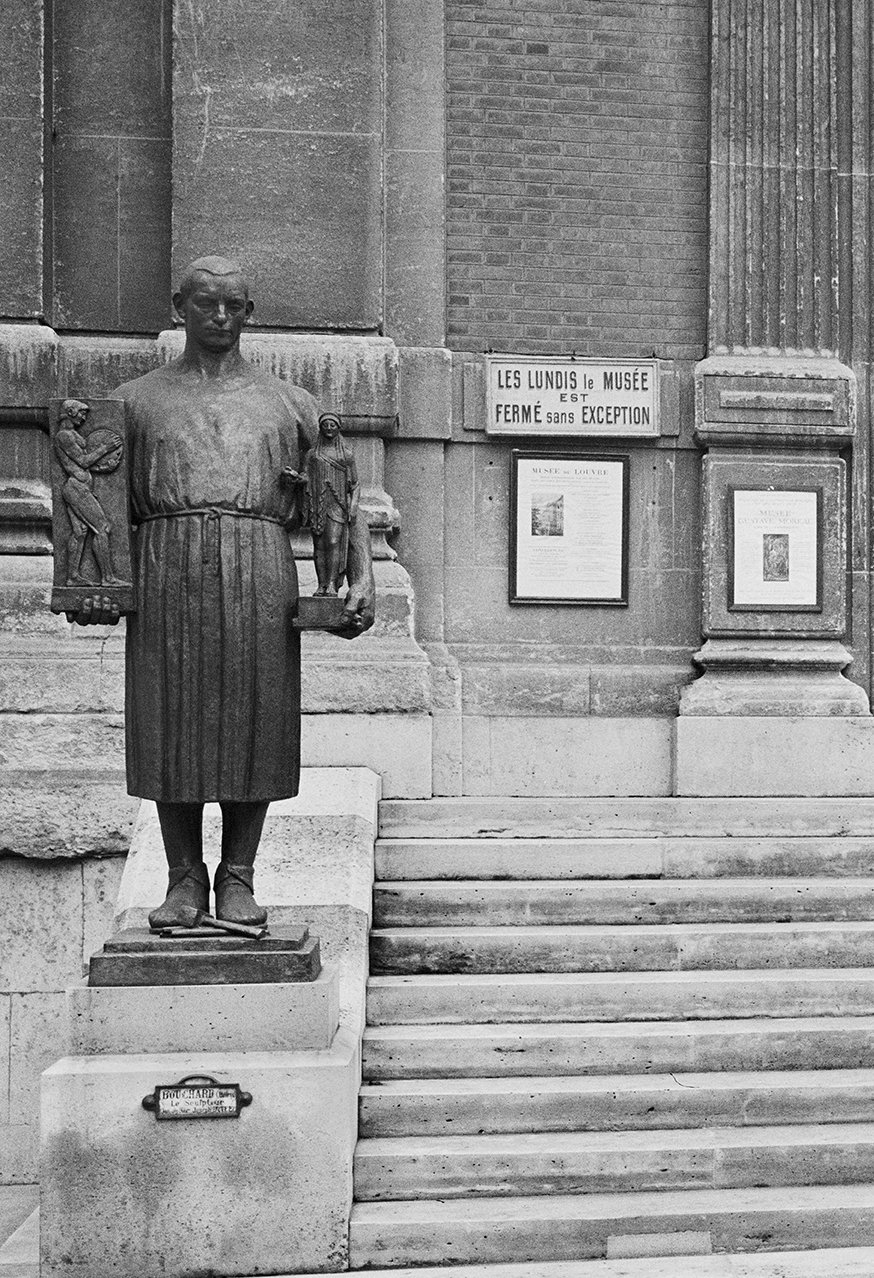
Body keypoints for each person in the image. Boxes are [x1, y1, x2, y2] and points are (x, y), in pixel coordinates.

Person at [68, 256, 375, 927]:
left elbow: (340, 500)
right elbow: (99, 503)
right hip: (165, 566)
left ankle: (239, 875)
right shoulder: (134, 401)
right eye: (208, 305)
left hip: (259, 566)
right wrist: (93, 590)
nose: (222, 318)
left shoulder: (290, 402)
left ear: (250, 312)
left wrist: (362, 579)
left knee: (255, 722)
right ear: (180, 308)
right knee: (165, 721)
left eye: (235, 306)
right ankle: (182, 877)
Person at [55, 399, 125, 587]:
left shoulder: (73, 435)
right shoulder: (64, 436)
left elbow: (83, 466)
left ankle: (72, 577)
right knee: (102, 528)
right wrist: (105, 448)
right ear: (70, 412)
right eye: (81, 413)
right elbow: (83, 462)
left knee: (80, 532)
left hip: (79, 487)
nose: (85, 417)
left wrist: (105, 466)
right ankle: (108, 578)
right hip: (77, 489)